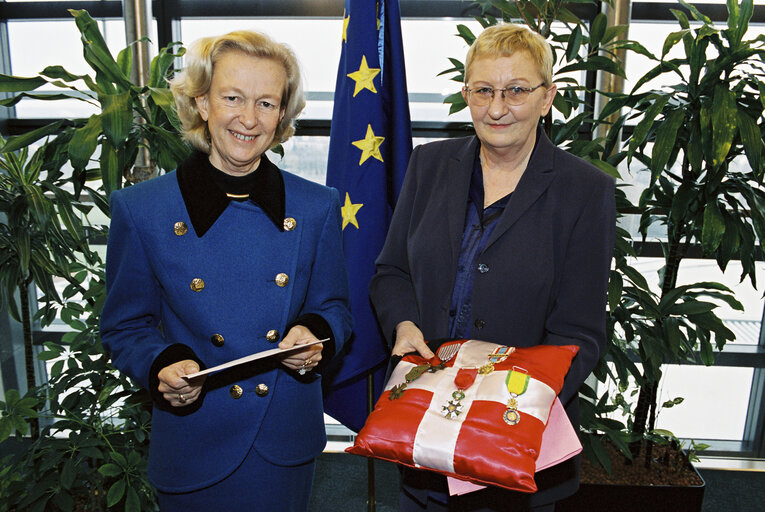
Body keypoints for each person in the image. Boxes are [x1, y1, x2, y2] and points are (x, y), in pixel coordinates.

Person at [100, 30, 352, 511]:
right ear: (201, 103)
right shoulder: (141, 210)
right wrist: (160, 363)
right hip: (194, 437)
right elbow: (124, 325)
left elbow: (334, 307)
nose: (249, 118)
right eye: (232, 98)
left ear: (282, 115)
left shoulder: (317, 207)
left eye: (266, 103)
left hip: (281, 440)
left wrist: (314, 332)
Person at [369, 23, 615, 511]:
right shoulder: (428, 165)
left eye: (517, 90)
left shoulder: (585, 191)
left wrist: (509, 405)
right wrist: (403, 324)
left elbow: (579, 335)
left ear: (548, 97)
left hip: (517, 455)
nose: (497, 108)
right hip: (423, 444)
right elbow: (391, 272)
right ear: (466, 94)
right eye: (483, 90)